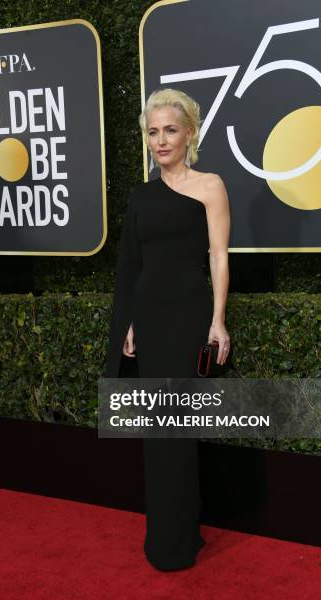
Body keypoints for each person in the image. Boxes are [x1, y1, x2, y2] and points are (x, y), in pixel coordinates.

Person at [105, 88, 231, 571]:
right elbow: (133, 265)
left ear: (190, 133)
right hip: (152, 319)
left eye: (170, 131)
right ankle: (163, 536)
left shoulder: (210, 186)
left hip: (188, 315)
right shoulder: (140, 194)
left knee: (177, 429)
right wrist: (130, 322)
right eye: (153, 132)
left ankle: (180, 540)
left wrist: (218, 321)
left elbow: (218, 256)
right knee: (157, 432)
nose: (161, 140)